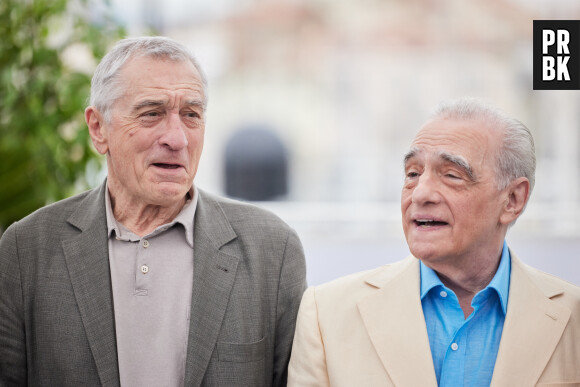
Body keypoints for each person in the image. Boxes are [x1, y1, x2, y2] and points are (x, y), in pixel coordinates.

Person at [0, 36, 307, 387]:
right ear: (99, 129)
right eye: (152, 113)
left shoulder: (273, 249)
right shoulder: (27, 250)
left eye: (191, 114)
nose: (177, 139)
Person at [288, 98, 580, 386]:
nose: (420, 194)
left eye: (452, 175)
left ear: (512, 200)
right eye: (412, 174)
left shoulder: (573, 316)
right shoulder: (326, 314)